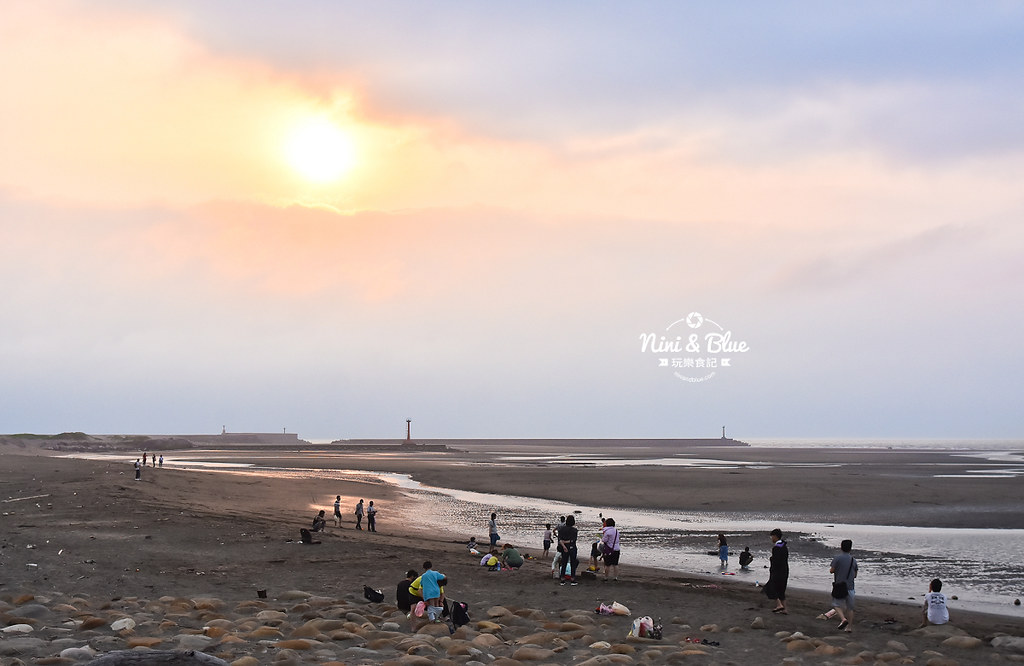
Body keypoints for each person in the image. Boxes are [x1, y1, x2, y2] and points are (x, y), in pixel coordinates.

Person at [830, 539, 858, 631]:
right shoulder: (853, 560)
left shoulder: (837, 558)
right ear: (850, 548)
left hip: (839, 586)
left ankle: (843, 619)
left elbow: (831, 570)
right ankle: (849, 627)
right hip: (850, 587)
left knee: (836, 604)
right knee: (850, 608)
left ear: (841, 547)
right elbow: (855, 575)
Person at [763, 528, 789, 614]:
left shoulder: (776, 548)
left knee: (770, 588)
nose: (771, 539)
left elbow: (776, 561)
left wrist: (771, 559)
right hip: (785, 570)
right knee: (782, 589)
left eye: (772, 537)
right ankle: (785, 609)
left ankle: (779, 605)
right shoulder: (784, 546)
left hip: (777, 571)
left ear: (775, 536)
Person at [557, 515, 579, 585]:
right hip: (572, 547)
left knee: (564, 563)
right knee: (573, 563)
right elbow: (573, 540)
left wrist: (563, 545)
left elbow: (560, 539)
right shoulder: (574, 530)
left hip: (564, 548)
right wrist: (567, 543)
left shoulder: (561, 529)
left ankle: (562, 579)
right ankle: (572, 579)